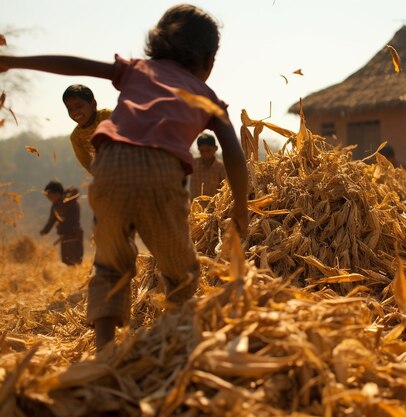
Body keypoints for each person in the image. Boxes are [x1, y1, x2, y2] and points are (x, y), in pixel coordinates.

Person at [0, 4, 249, 350]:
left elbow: (76, 65)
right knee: (180, 272)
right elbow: (235, 157)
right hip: (162, 172)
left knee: (110, 264)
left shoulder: (139, 70)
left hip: (109, 166)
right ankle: (172, 340)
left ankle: (104, 350)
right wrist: (241, 209)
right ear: (208, 59)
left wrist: (15, 61)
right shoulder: (208, 98)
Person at [63, 84, 112, 173]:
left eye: (79, 106)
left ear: (93, 104)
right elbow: (88, 164)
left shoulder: (108, 117)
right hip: (107, 172)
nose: (75, 112)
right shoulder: (76, 137)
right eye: (70, 109)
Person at [40, 180, 84, 266]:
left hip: (74, 233)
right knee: (66, 260)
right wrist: (45, 231)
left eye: (50, 196)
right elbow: (51, 220)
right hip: (65, 235)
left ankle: (75, 276)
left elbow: (74, 191)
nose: (49, 199)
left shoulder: (69, 201)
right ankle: (73, 275)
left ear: (57, 194)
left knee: (74, 259)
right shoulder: (55, 206)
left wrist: (65, 197)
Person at [189, 132, 226, 199]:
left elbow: (224, 191)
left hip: (214, 208)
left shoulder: (221, 168)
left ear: (215, 148)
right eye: (202, 151)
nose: (205, 154)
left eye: (208, 150)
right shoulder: (193, 164)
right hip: (195, 207)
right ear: (199, 150)